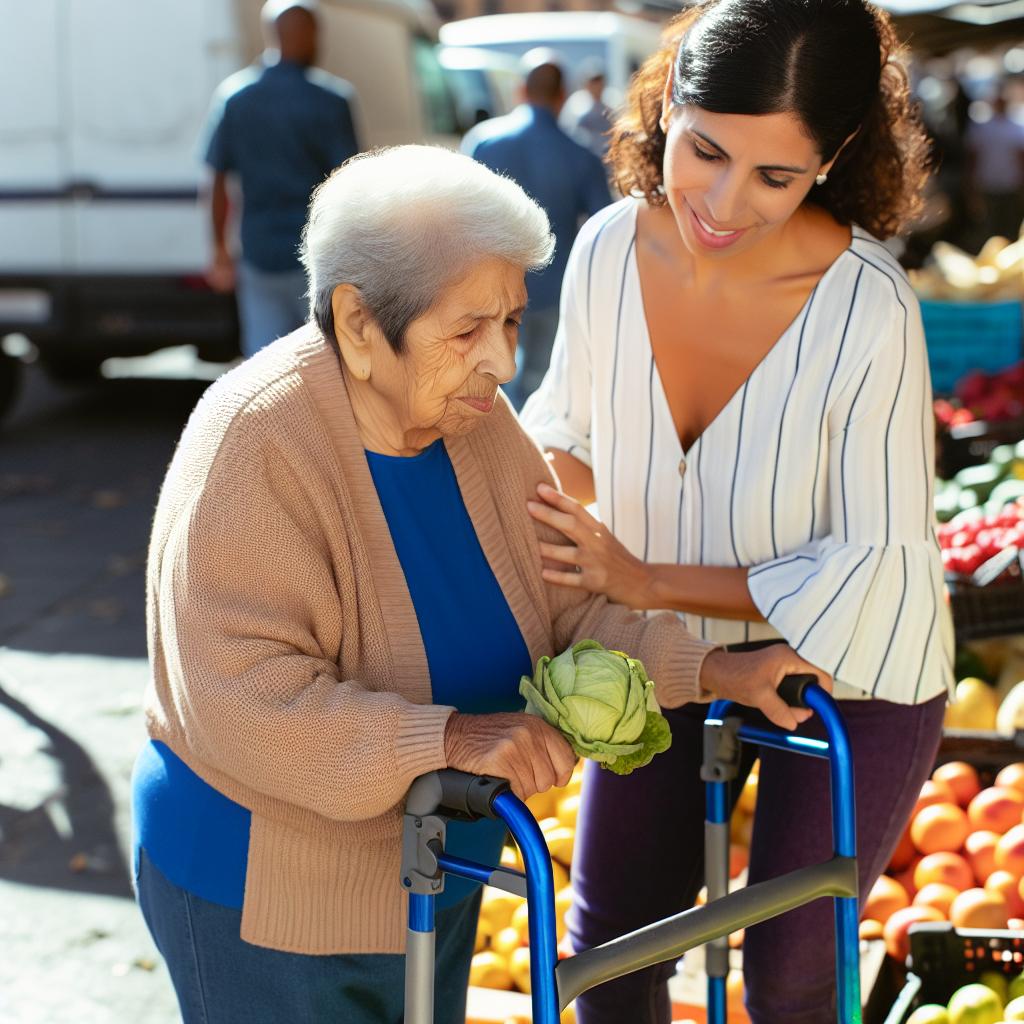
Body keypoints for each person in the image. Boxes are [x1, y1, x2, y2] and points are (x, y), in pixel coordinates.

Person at [130, 145, 827, 1024]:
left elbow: (570, 603)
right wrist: (448, 738)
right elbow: (250, 700)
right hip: (271, 899)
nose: (501, 362)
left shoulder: (475, 421)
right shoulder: (257, 442)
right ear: (356, 323)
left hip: (434, 868)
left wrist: (717, 672)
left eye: (511, 323)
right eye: (467, 331)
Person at [520, 2, 954, 1022]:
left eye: (774, 175)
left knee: (791, 973)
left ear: (835, 156)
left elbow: (871, 557)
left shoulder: (869, 307)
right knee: (607, 948)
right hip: (669, 652)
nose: (720, 202)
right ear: (668, 101)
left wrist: (639, 578)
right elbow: (563, 425)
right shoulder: (604, 250)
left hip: (853, 671)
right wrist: (557, 513)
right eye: (703, 150)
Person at [201, 0, 360, 358]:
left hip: (259, 253)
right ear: (310, 36)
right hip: (317, 254)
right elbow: (350, 184)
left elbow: (216, 179)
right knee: (322, 361)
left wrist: (219, 250)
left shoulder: (236, 97)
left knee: (265, 362)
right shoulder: (331, 100)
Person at [462, 51, 612, 410]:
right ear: (562, 97)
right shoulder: (581, 155)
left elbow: (459, 217)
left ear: (520, 91)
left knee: (487, 377)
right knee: (541, 382)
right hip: (552, 285)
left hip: (486, 285)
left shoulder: (483, 142)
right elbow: (604, 226)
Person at [965, 84, 1024, 243]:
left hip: (1010, 185)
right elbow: (973, 158)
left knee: (1011, 227)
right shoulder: (981, 128)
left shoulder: (1017, 127)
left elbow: (1020, 158)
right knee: (990, 229)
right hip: (988, 185)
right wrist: (972, 186)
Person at [560, 58, 614, 158]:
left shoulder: (611, 103)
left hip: (606, 158)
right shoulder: (575, 105)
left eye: (599, 81)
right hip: (583, 158)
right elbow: (568, 132)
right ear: (587, 84)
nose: (597, 86)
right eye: (593, 82)